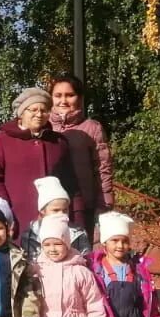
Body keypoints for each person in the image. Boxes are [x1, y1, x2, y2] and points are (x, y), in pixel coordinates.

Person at [0, 86, 85, 236]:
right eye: (33, 110)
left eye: (43, 110)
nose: (39, 114)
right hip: (17, 218)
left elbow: (71, 182)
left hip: (54, 222)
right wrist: (2, 213)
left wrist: (77, 218)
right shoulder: (2, 140)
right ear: (21, 113)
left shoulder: (58, 142)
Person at [51, 74, 115, 233]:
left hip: (83, 206)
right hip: (50, 207)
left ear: (79, 98)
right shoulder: (43, 127)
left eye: (70, 95)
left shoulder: (92, 128)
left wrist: (104, 204)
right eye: (58, 95)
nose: (63, 101)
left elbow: (102, 169)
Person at [23, 176, 92, 263]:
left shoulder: (77, 232)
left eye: (65, 210)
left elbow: (86, 259)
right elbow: (30, 263)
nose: (61, 214)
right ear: (42, 211)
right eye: (56, 210)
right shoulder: (31, 235)